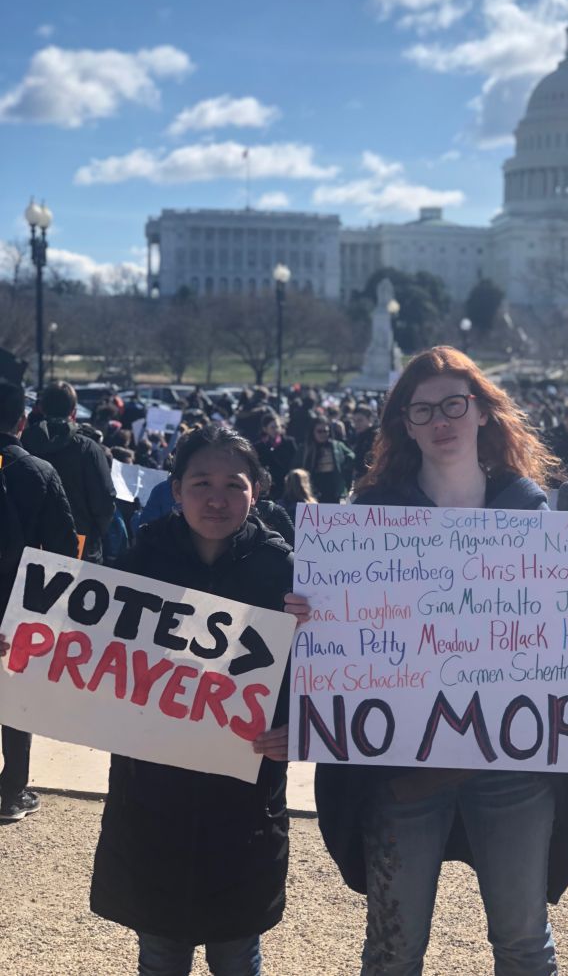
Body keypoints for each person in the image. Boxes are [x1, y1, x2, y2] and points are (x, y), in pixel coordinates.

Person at [314, 347, 568, 976]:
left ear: (483, 412)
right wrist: (314, 611)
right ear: (405, 423)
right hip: (403, 766)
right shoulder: (366, 523)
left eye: (455, 404)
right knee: (392, 950)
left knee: (523, 942)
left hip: (515, 763)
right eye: (424, 408)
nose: (442, 420)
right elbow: (344, 640)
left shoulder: (540, 511)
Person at [88, 424, 309, 976]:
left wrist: (299, 726)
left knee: (237, 953)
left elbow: (326, 678)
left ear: (256, 490)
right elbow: (78, 650)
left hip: (245, 801)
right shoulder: (138, 568)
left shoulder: (289, 577)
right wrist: (22, 642)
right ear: (176, 487)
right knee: (160, 953)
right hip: (153, 797)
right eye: (200, 482)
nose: (216, 498)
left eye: (233, 484)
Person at [0, 381, 78, 821]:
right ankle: (12, 791)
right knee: (15, 697)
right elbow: (65, 550)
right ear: (22, 421)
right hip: (20, 601)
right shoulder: (40, 472)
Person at [22, 380, 116, 564]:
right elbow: (104, 502)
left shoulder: (24, 442)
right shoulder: (88, 449)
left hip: (30, 542)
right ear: (74, 411)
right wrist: (93, 535)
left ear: (41, 408)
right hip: (79, 543)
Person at [296, 416, 354, 504]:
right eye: (319, 431)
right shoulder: (305, 448)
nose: (323, 434)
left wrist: (344, 467)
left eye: (326, 431)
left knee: (342, 514)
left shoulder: (337, 446)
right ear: (313, 432)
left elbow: (352, 456)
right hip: (314, 490)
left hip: (336, 489)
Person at [254, 414, 297, 501]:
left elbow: (295, 462)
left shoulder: (289, 443)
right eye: (272, 427)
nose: (276, 430)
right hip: (269, 486)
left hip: (287, 483)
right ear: (265, 429)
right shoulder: (259, 446)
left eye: (277, 427)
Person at [351, 403, 377, 482]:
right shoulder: (359, 435)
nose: (356, 424)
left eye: (360, 420)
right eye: (354, 421)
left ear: (369, 419)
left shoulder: (375, 436)